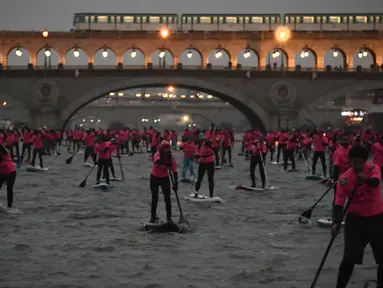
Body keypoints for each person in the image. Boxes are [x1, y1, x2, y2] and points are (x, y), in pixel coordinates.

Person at [332, 145, 383, 288]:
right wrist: (336, 222)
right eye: (354, 162)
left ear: (365, 161)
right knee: (349, 259)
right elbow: (339, 202)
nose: (357, 166)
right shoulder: (344, 179)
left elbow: (376, 182)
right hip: (356, 221)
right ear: (350, 161)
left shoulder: (374, 169)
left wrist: (365, 179)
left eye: (361, 162)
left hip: (377, 218)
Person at [150, 141, 177, 223]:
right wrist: (167, 163)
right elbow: (157, 162)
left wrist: (176, 184)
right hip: (154, 178)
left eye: (167, 149)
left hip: (164, 178)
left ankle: (169, 218)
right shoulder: (157, 154)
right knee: (155, 198)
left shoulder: (171, 159)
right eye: (164, 149)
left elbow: (174, 172)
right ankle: (153, 218)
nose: (166, 151)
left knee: (167, 199)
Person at [0, 146, 17, 210]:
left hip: (11, 172)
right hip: (3, 173)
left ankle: (9, 206)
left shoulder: (4, 152)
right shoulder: (4, 150)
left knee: (9, 189)